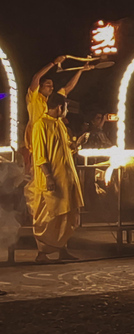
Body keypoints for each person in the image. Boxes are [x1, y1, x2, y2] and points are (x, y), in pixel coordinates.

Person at [25, 92, 84, 263]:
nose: (66, 111)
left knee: (67, 216)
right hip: (52, 180)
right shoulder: (40, 125)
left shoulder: (59, 124)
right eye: (65, 108)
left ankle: (62, 249)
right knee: (48, 217)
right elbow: (40, 155)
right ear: (60, 107)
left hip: (67, 179)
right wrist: (49, 177)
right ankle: (42, 254)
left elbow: (66, 146)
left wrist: (76, 143)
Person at [24, 56, 92, 167]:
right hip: (36, 139)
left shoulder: (52, 100)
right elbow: (37, 77)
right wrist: (53, 63)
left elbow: (68, 88)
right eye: (48, 85)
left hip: (51, 139)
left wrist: (81, 71)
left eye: (52, 86)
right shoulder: (33, 98)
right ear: (39, 87)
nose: (51, 88)